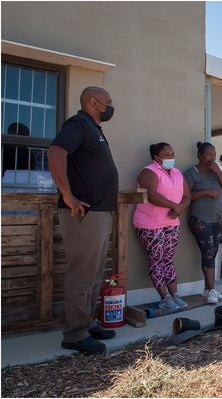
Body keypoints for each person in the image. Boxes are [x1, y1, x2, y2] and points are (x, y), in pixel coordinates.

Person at [47, 86, 118, 355]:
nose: (111, 106)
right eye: (108, 102)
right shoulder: (79, 124)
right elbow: (55, 153)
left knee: (94, 273)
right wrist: (67, 195)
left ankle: (86, 323)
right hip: (83, 214)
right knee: (81, 273)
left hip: (99, 213)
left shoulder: (94, 129)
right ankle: (75, 333)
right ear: (92, 102)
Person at [133, 142, 191, 310]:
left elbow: (187, 195)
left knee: (168, 260)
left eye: (172, 154)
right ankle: (164, 298)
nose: (171, 157)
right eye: (166, 155)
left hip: (171, 222)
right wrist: (174, 206)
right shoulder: (148, 172)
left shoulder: (177, 173)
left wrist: (179, 209)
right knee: (156, 260)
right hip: (150, 224)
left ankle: (175, 295)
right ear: (156, 157)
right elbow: (151, 194)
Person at [184, 142, 222, 304]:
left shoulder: (216, 171)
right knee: (208, 253)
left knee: (213, 252)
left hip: (217, 218)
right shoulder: (192, 173)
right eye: (209, 154)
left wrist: (218, 172)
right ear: (200, 156)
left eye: (214, 154)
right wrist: (204, 192)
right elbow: (186, 196)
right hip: (200, 218)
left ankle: (207, 289)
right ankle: (211, 290)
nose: (212, 158)